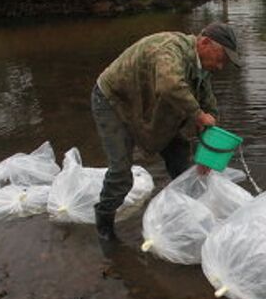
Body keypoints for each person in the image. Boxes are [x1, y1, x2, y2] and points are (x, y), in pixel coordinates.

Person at [91, 22, 241, 241]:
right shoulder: (170, 48)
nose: (220, 66)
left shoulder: (201, 70)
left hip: (147, 101)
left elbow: (209, 107)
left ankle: (187, 215)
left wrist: (207, 149)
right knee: (121, 173)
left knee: (181, 158)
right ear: (205, 42)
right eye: (222, 58)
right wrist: (198, 116)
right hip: (115, 102)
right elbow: (169, 85)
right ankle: (104, 224)